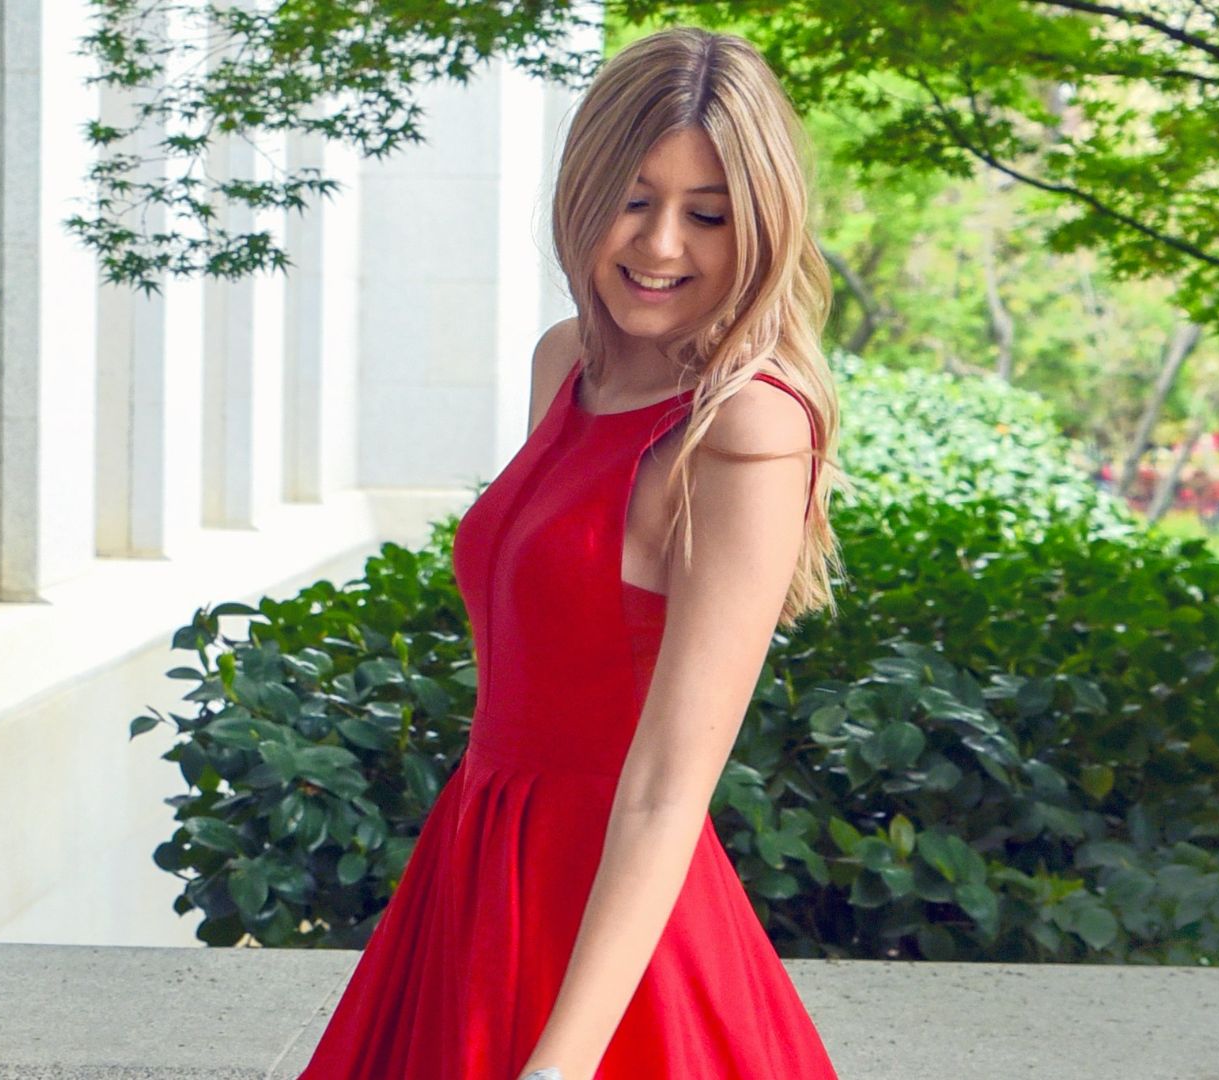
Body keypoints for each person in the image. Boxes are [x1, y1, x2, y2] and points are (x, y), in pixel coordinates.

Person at [297, 25, 845, 1080]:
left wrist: (561, 1063)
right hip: (477, 865)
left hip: (612, 920)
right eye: (635, 200)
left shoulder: (748, 427)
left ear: (762, 225)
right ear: (584, 193)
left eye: (709, 214)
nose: (662, 245)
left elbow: (667, 791)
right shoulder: (568, 362)